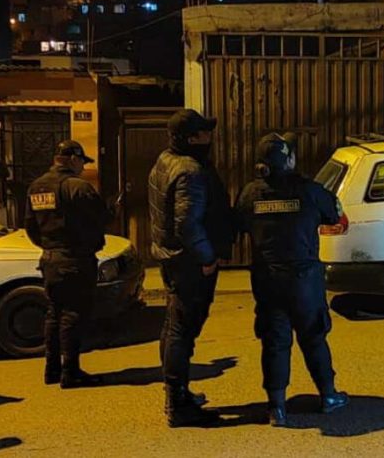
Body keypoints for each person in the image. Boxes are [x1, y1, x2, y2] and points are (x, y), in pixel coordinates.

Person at [235, 133, 349, 427]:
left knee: (275, 342)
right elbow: (337, 217)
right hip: (304, 280)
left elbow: (235, 226)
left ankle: (277, 408)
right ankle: (328, 396)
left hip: (268, 279)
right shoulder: (309, 190)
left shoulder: (250, 193)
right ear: (288, 159)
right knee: (313, 338)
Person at [148, 109, 234, 427]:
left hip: (173, 257)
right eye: (203, 133)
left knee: (175, 327)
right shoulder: (189, 170)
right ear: (189, 138)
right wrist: (207, 258)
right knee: (181, 330)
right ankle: (178, 403)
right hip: (189, 262)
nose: (209, 137)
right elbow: (187, 223)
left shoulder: (165, 160)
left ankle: (179, 394)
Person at [25, 140, 112, 389]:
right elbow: (101, 218)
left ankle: (52, 369)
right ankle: (70, 372)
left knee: (54, 313)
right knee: (73, 315)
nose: (83, 168)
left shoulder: (36, 186)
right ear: (73, 159)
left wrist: (50, 247)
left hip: (50, 259)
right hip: (75, 260)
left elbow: (30, 227)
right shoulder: (77, 187)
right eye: (82, 162)